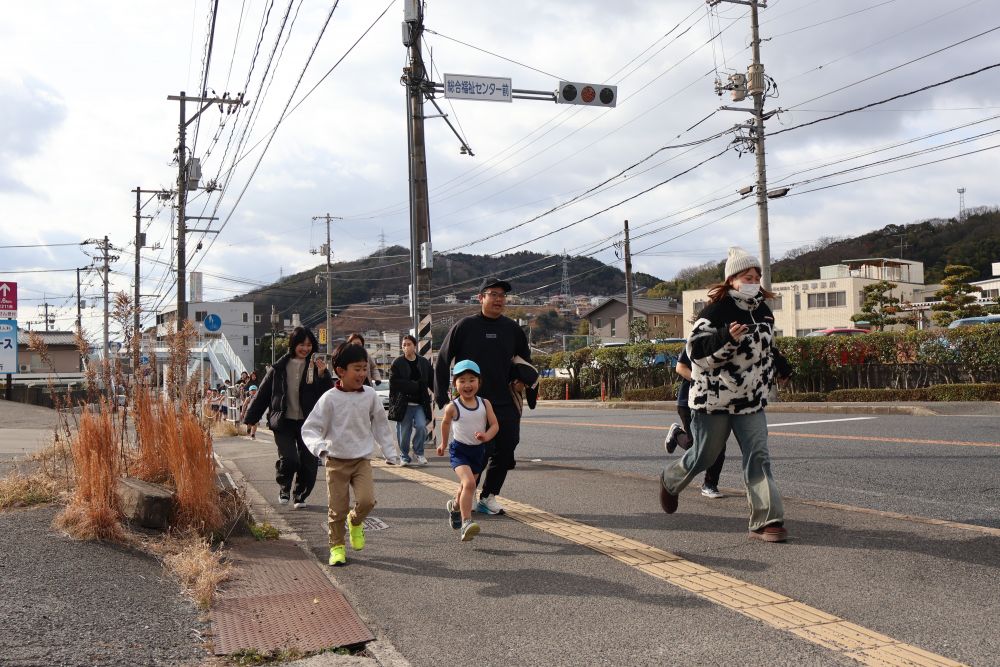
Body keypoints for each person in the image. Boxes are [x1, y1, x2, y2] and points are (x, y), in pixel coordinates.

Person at [659, 247, 793, 543]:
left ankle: (766, 520)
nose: (754, 280)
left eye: (757, 276)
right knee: (704, 457)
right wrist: (726, 338)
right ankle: (670, 480)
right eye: (748, 276)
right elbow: (695, 353)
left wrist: (781, 365)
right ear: (732, 279)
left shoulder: (763, 311)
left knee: (758, 456)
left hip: (751, 399)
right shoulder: (715, 311)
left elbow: (765, 348)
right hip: (715, 400)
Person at [434, 277, 531, 516]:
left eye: (502, 295)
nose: (499, 299)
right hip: (471, 404)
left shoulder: (512, 329)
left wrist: (522, 381)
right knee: (479, 451)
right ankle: (468, 494)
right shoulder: (465, 326)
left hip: (504, 399)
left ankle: (489, 496)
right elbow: (443, 360)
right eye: (493, 294)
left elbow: (526, 360)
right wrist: (442, 398)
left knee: (507, 447)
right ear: (481, 298)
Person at [301, 344, 400, 566]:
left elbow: (381, 426)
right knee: (337, 508)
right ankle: (336, 547)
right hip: (336, 460)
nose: (362, 374)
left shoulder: (370, 396)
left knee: (366, 501)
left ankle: (355, 522)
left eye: (365, 368)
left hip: (361, 460)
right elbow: (310, 428)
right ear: (340, 371)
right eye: (357, 368)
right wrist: (320, 449)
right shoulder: (329, 398)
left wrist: (390, 452)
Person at [244, 326, 334, 509]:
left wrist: (324, 375)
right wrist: (251, 417)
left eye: (309, 345)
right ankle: (284, 487)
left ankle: (300, 495)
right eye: (301, 344)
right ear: (293, 344)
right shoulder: (278, 367)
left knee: (309, 463)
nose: (305, 348)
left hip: (308, 423)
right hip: (283, 421)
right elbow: (262, 393)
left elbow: (327, 395)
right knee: (290, 459)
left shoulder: (316, 367)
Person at [437, 360, 499, 542]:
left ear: (479, 382)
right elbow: (445, 423)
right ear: (455, 384)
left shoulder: (484, 403)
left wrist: (486, 436)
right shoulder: (453, 407)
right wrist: (443, 444)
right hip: (459, 451)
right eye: (462, 380)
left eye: (472, 379)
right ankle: (466, 522)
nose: (467, 384)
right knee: (470, 484)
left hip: (478, 451)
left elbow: (495, 424)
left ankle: (455, 507)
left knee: (465, 486)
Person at [663, 349, 726, 499]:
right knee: (698, 447)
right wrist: (702, 382)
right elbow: (680, 367)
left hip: (716, 402)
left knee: (717, 445)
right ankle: (677, 433)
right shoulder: (698, 339)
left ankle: (710, 484)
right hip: (689, 402)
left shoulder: (729, 342)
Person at [388, 334, 434, 466]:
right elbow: (394, 382)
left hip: (420, 403)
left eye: (409, 344)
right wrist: (415, 385)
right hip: (403, 403)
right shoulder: (397, 363)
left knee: (421, 427)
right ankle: (404, 456)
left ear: (415, 346)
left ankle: (419, 453)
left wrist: (441, 394)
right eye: (404, 345)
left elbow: (431, 379)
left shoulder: (423, 362)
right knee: (404, 432)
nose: (406, 347)